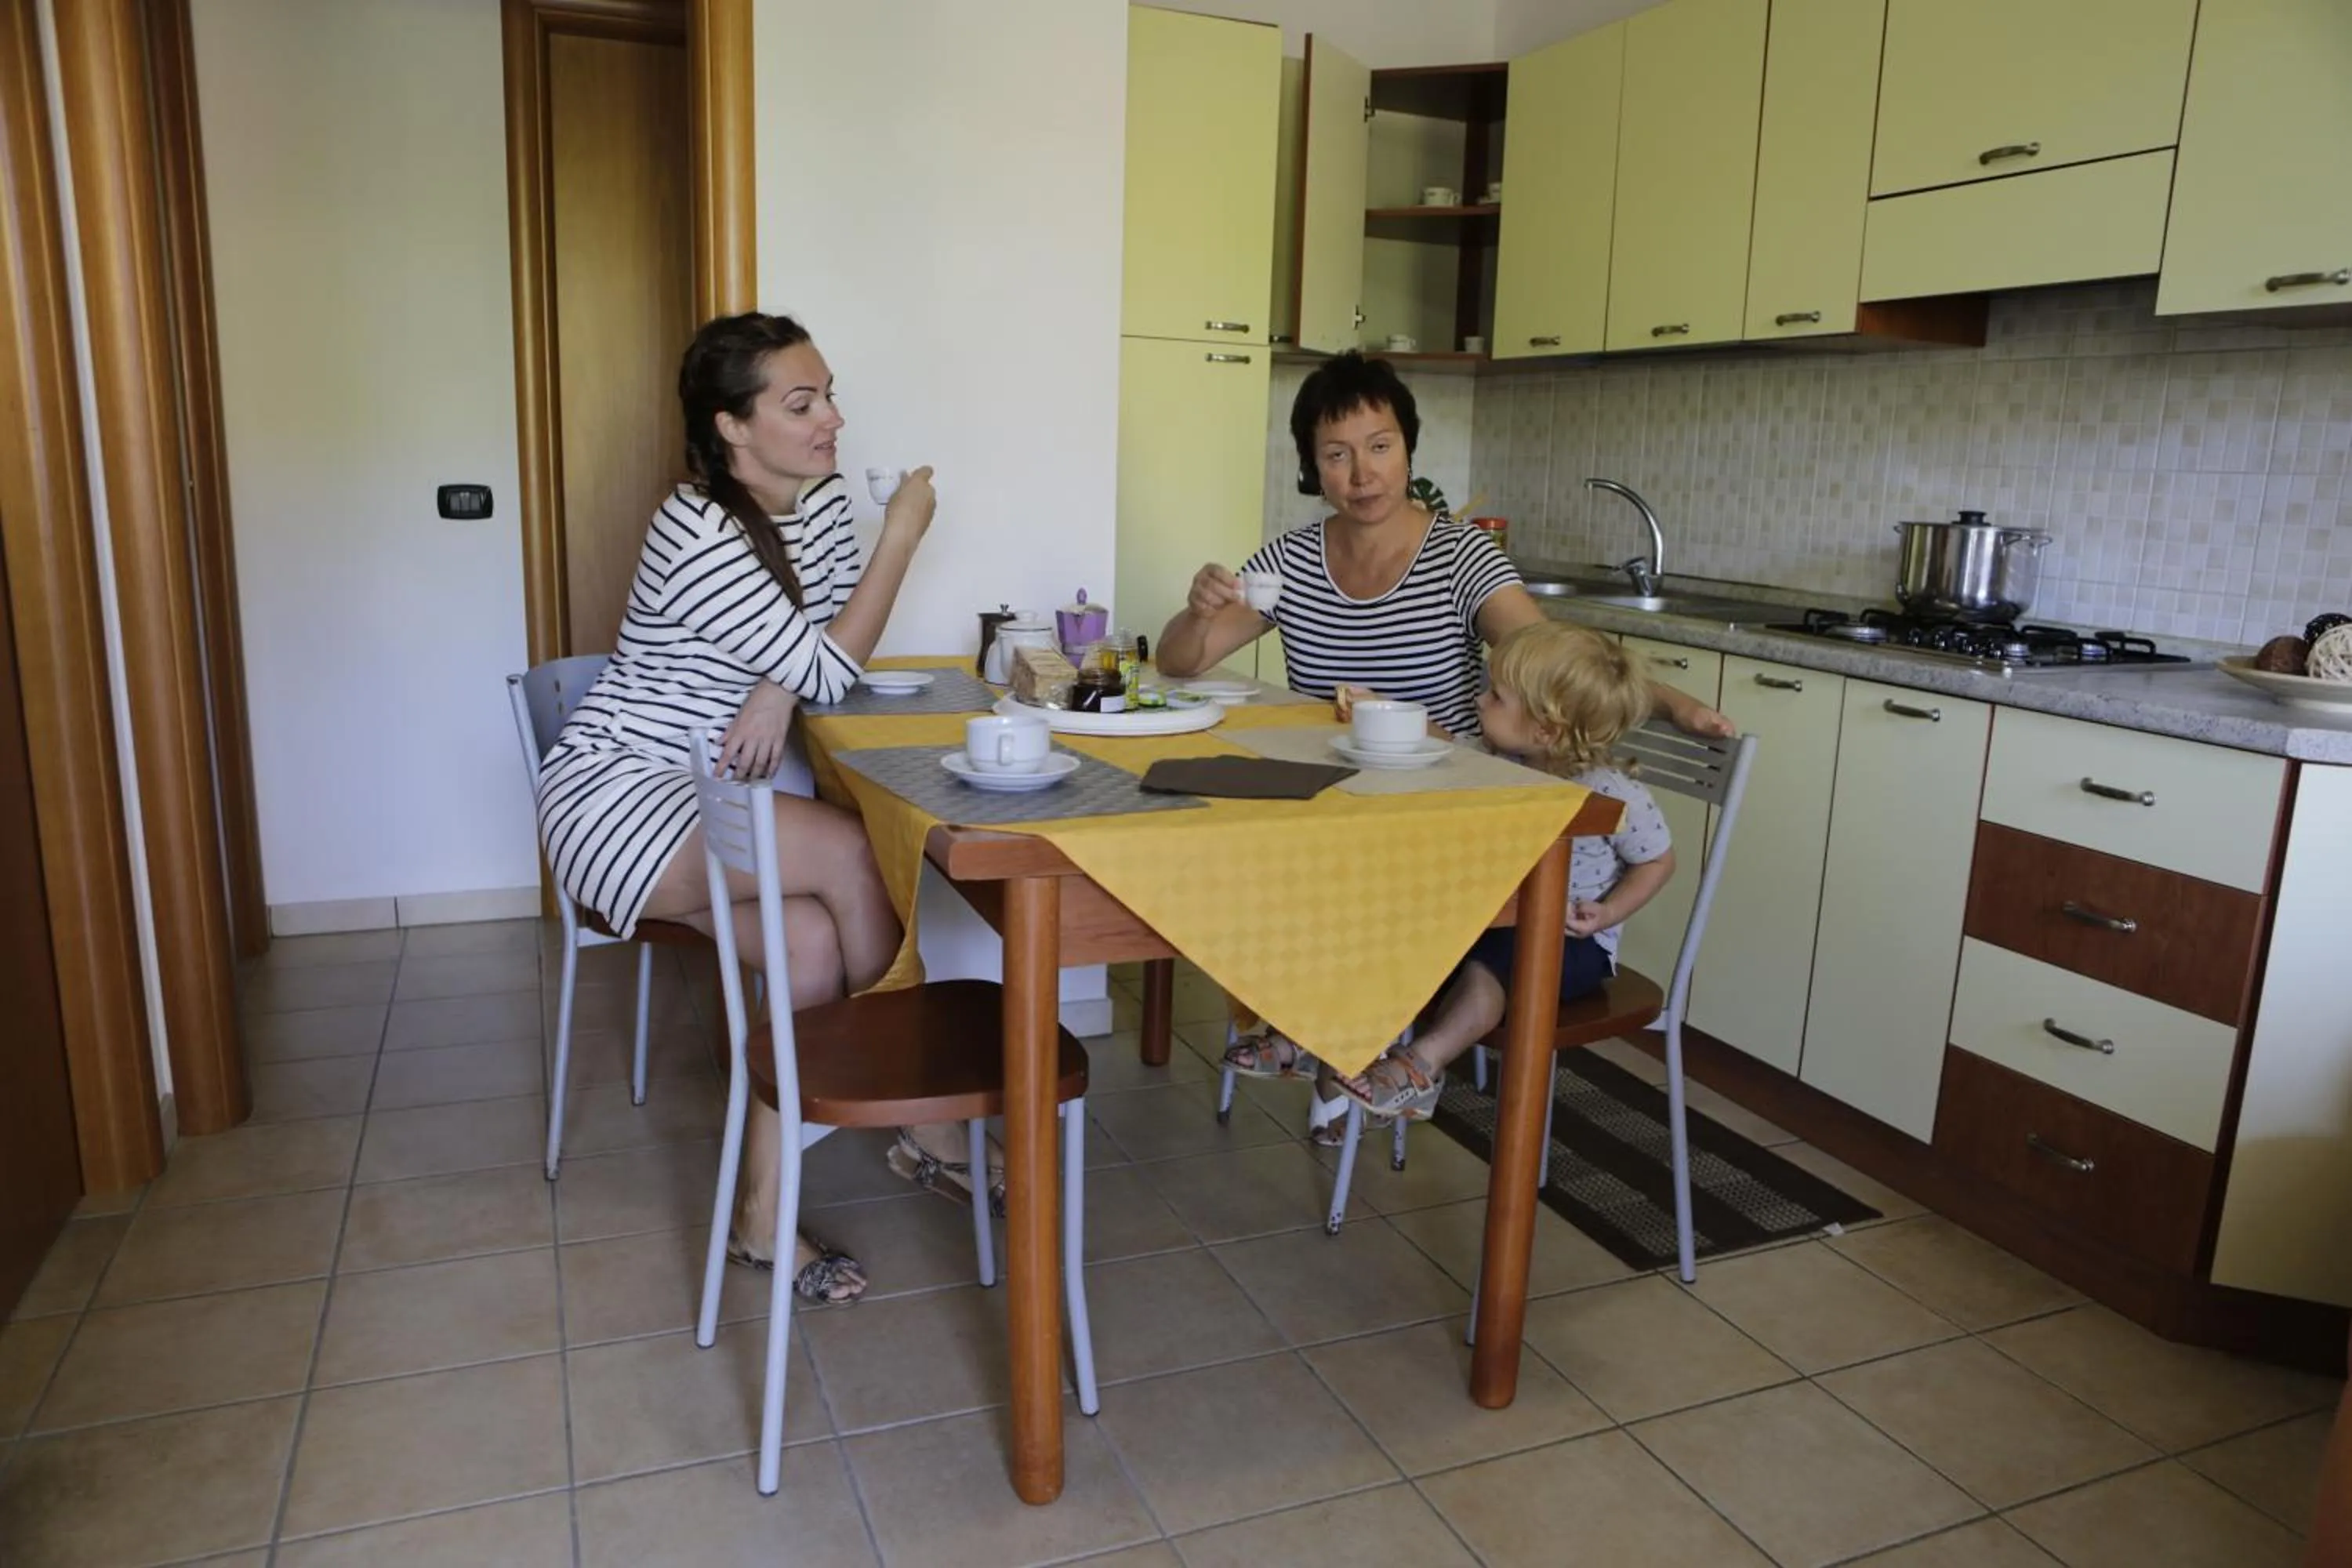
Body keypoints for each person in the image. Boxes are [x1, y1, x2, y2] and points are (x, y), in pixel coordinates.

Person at [1156, 350, 1723, 1133]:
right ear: (1312, 468)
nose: (1362, 472)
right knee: (1262, 867)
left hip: (1452, 816)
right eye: (1337, 453)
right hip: (1337, 798)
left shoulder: (1461, 557)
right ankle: (1317, 1036)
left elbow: (1556, 658)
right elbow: (1178, 661)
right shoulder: (1288, 560)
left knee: (1332, 894)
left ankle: (1333, 1043)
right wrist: (1196, 609)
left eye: (1380, 445)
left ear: (1408, 449)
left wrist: (1675, 701)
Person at [535, 311, 978, 1305]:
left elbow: (810, 652)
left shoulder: (814, 503)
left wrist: (779, 687)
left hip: (700, 795)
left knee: (814, 947)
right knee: (858, 857)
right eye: (802, 401)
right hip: (617, 798)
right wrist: (899, 539)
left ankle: (761, 1223)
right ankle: (928, 1124)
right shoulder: (693, 525)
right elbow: (829, 658)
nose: (833, 419)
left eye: (828, 394)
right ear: (733, 429)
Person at [1334, 621, 1675, 1119]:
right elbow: (1441, 742)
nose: (1480, 700)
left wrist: (1606, 913)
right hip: (1485, 920)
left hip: (1568, 942)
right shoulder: (1494, 757)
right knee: (1392, 930)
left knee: (1493, 963)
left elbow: (1659, 861)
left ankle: (1421, 1065)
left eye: (1496, 696)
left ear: (1546, 729)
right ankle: (1322, 1044)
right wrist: (1382, 708)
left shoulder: (1612, 793)